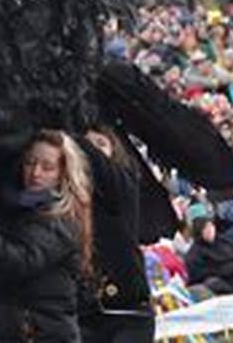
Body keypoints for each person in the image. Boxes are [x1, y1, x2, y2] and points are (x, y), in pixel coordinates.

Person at [0, 129, 92, 343]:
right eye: (30, 163)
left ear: (63, 173)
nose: (35, 173)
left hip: (45, 332)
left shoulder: (62, 216)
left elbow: (21, 259)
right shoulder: (18, 206)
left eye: (47, 167)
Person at [77, 127, 153, 342]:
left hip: (128, 309)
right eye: (88, 145)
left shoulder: (123, 185)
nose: (94, 151)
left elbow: (103, 169)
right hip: (86, 313)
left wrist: (79, 141)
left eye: (100, 144)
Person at [184, 214, 233, 295]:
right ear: (200, 232)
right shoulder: (194, 254)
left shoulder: (223, 240)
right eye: (206, 228)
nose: (210, 230)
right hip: (223, 281)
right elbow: (200, 276)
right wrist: (224, 270)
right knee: (213, 283)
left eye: (211, 226)